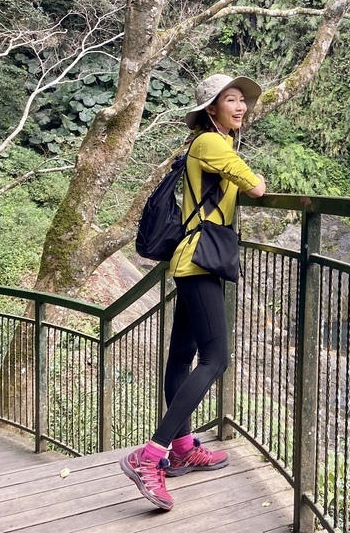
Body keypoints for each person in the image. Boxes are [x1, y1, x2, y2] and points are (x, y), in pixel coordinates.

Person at [120, 74, 267, 511]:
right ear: (211, 108)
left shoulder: (212, 144)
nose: (240, 107)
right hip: (200, 262)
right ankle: (151, 455)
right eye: (231, 100)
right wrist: (247, 175)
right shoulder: (211, 144)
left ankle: (183, 445)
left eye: (243, 101)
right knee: (216, 358)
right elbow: (255, 186)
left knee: (182, 356)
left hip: (193, 259)